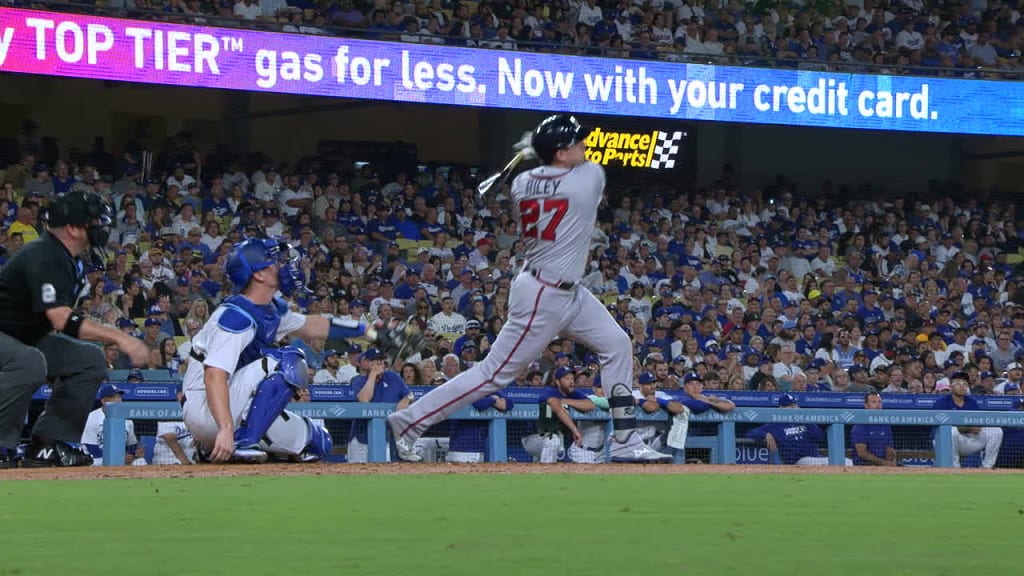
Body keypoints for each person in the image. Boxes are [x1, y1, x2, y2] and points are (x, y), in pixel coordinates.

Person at [388, 114, 670, 463]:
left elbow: (548, 171)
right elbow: (585, 167)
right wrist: (540, 149)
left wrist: (538, 152)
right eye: (576, 143)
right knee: (492, 374)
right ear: (560, 153)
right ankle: (408, 422)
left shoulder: (522, 182)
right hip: (543, 295)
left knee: (616, 344)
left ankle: (626, 440)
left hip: (568, 291)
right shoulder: (588, 179)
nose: (584, 145)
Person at [180, 238, 381, 464]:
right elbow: (213, 375)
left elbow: (311, 326)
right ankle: (242, 442)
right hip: (206, 407)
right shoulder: (236, 315)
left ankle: (217, 449)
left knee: (318, 442)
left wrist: (369, 331)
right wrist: (225, 428)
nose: (283, 266)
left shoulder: (269, 310)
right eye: (274, 261)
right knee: (289, 359)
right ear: (259, 275)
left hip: (233, 402)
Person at [0, 187, 149, 468]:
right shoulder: (43, 256)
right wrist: (121, 338)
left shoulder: (70, 258)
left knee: (87, 359)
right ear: (72, 228)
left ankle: (47, 445)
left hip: (23, 338)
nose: (101, 227)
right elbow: (61, 319)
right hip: (10, 339)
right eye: (94, 223)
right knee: (29, 362)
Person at [747, 394, 853, 466]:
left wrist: (804, 419)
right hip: (798, 461)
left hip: (815, 458)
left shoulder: (804, 420)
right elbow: (750, 433)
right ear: (781, 408)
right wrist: (766, 434)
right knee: (842, 463)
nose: (793, 408)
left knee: (848, 462)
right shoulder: (775, 424)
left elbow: (819, 436)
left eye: (795, 404)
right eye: (789, 405)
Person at [522, 366, 597, 463]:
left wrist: (565, 401)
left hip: (552, 437)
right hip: (534, 437)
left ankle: (538, 466)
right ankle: (547, 473)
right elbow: (558, 409)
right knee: (553, 440)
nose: (571, 382)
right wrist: (574, 430)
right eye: (567, 379)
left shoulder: (572, 393)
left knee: (553, 441)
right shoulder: (549, 391)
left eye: (572, 379)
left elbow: (590, 405)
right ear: (558, 382)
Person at [932, 371, 1003, 468]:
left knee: (996, 431)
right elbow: (937, 429)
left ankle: (987, 467)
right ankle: (953, 467)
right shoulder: (941, 402)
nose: (962, 386)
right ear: (951, 387)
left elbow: (977, 423)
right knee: (951, 431)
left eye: (964, 384)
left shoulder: (972, 403)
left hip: (968, 439)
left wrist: (977, 427)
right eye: (958, 383)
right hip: (944, 441)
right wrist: (965, 428)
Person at [446, 390, 514, 463]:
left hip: (478, 449)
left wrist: (491, 399)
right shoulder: (465, 390)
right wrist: (493, 399)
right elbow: (480, 404)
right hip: (459, 449)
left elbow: (509, 404)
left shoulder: (488, 390)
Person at [80, 383, 139, 466]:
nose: (119, 400)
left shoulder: (127, 419)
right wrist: (118, 458)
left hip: (121, 458)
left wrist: (131, 455)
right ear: (104, 401)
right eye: (114, 398)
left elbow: (132, 444)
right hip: (95, 458)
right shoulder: (91, 418)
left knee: (140, 462)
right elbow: (91, 448)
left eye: (119, 397)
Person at [849, 392, 898, 466]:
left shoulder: (885, 424)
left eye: (879, 402)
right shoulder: (860, 425)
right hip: (864, 464)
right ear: (866, 406)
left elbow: (889, 448)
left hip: (883, 463)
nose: (878, 405)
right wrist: (882, 463)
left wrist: (890, 461)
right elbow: (862, 453)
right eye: (874, 402)